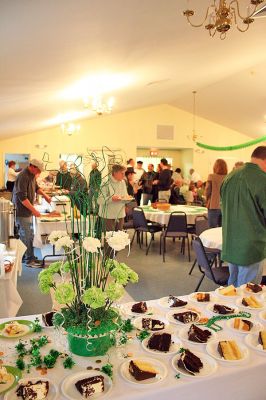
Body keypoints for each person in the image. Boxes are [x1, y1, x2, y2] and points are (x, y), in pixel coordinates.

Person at [221, 146, 266, 287]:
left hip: (230, 241)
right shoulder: (262, 179)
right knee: (247, 294)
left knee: (232, 288)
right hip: (251, 246)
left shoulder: (230, 176)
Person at [13, 159, 51, 268]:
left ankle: (28, 256)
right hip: (22, 210)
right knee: (26, 235)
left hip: (27, 210)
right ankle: (29, 260)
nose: (38, 173)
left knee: (28, 234)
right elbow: (22, 198)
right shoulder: (23, 176)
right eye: (38, 170)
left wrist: (45, 196)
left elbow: (37, 188)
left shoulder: (31, 175)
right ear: (33, 166)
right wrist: (34, 210)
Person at [98, 164, 128, 232]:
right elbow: (99, 200)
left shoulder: (123, 182)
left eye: (124, 173)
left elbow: (125, 196)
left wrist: (127, 200)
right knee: (109, 239)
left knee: (119, 237)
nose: (124, 176)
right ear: (115, 173)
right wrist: (111, 199)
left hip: (120, 214)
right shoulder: (105, 182)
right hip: (108, 215)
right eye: (122, 173)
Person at [205, 159, 228, 228]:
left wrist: (207, 199)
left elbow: (207, 190)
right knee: (222, 228)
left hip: (213, 205)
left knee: (212, 228)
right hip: (225, 206)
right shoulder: (228, 177)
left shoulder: (211, 176)